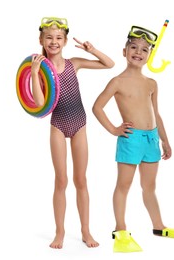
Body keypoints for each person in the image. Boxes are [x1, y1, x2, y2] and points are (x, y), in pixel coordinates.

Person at [93, 25, 174, 253]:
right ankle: (120, 228)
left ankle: (158, 226)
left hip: (151, 139)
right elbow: (97, 107)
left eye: (144, 50)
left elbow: (156, 114)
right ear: (124, 51)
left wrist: (165, 140)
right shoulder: (117, 82)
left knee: (149, 186)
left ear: (149, 56)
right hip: (131, 138)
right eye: (134, 47)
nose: (138, 52)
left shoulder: (151, 84)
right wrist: (113, 129)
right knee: (124, 185)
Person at [30, 17, 115, 249]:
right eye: (49, 37)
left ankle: (86, 231)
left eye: (59, 37)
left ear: (65, 41)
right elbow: (39, 104)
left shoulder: (73, 63)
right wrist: (36, 70)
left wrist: (92, 49)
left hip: (79, 124)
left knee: (81, 179)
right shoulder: (40, 70)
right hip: (58, 124)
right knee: (61, 180)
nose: (54, 41)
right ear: (41, 40)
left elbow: (110, 64)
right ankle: (60, 233)